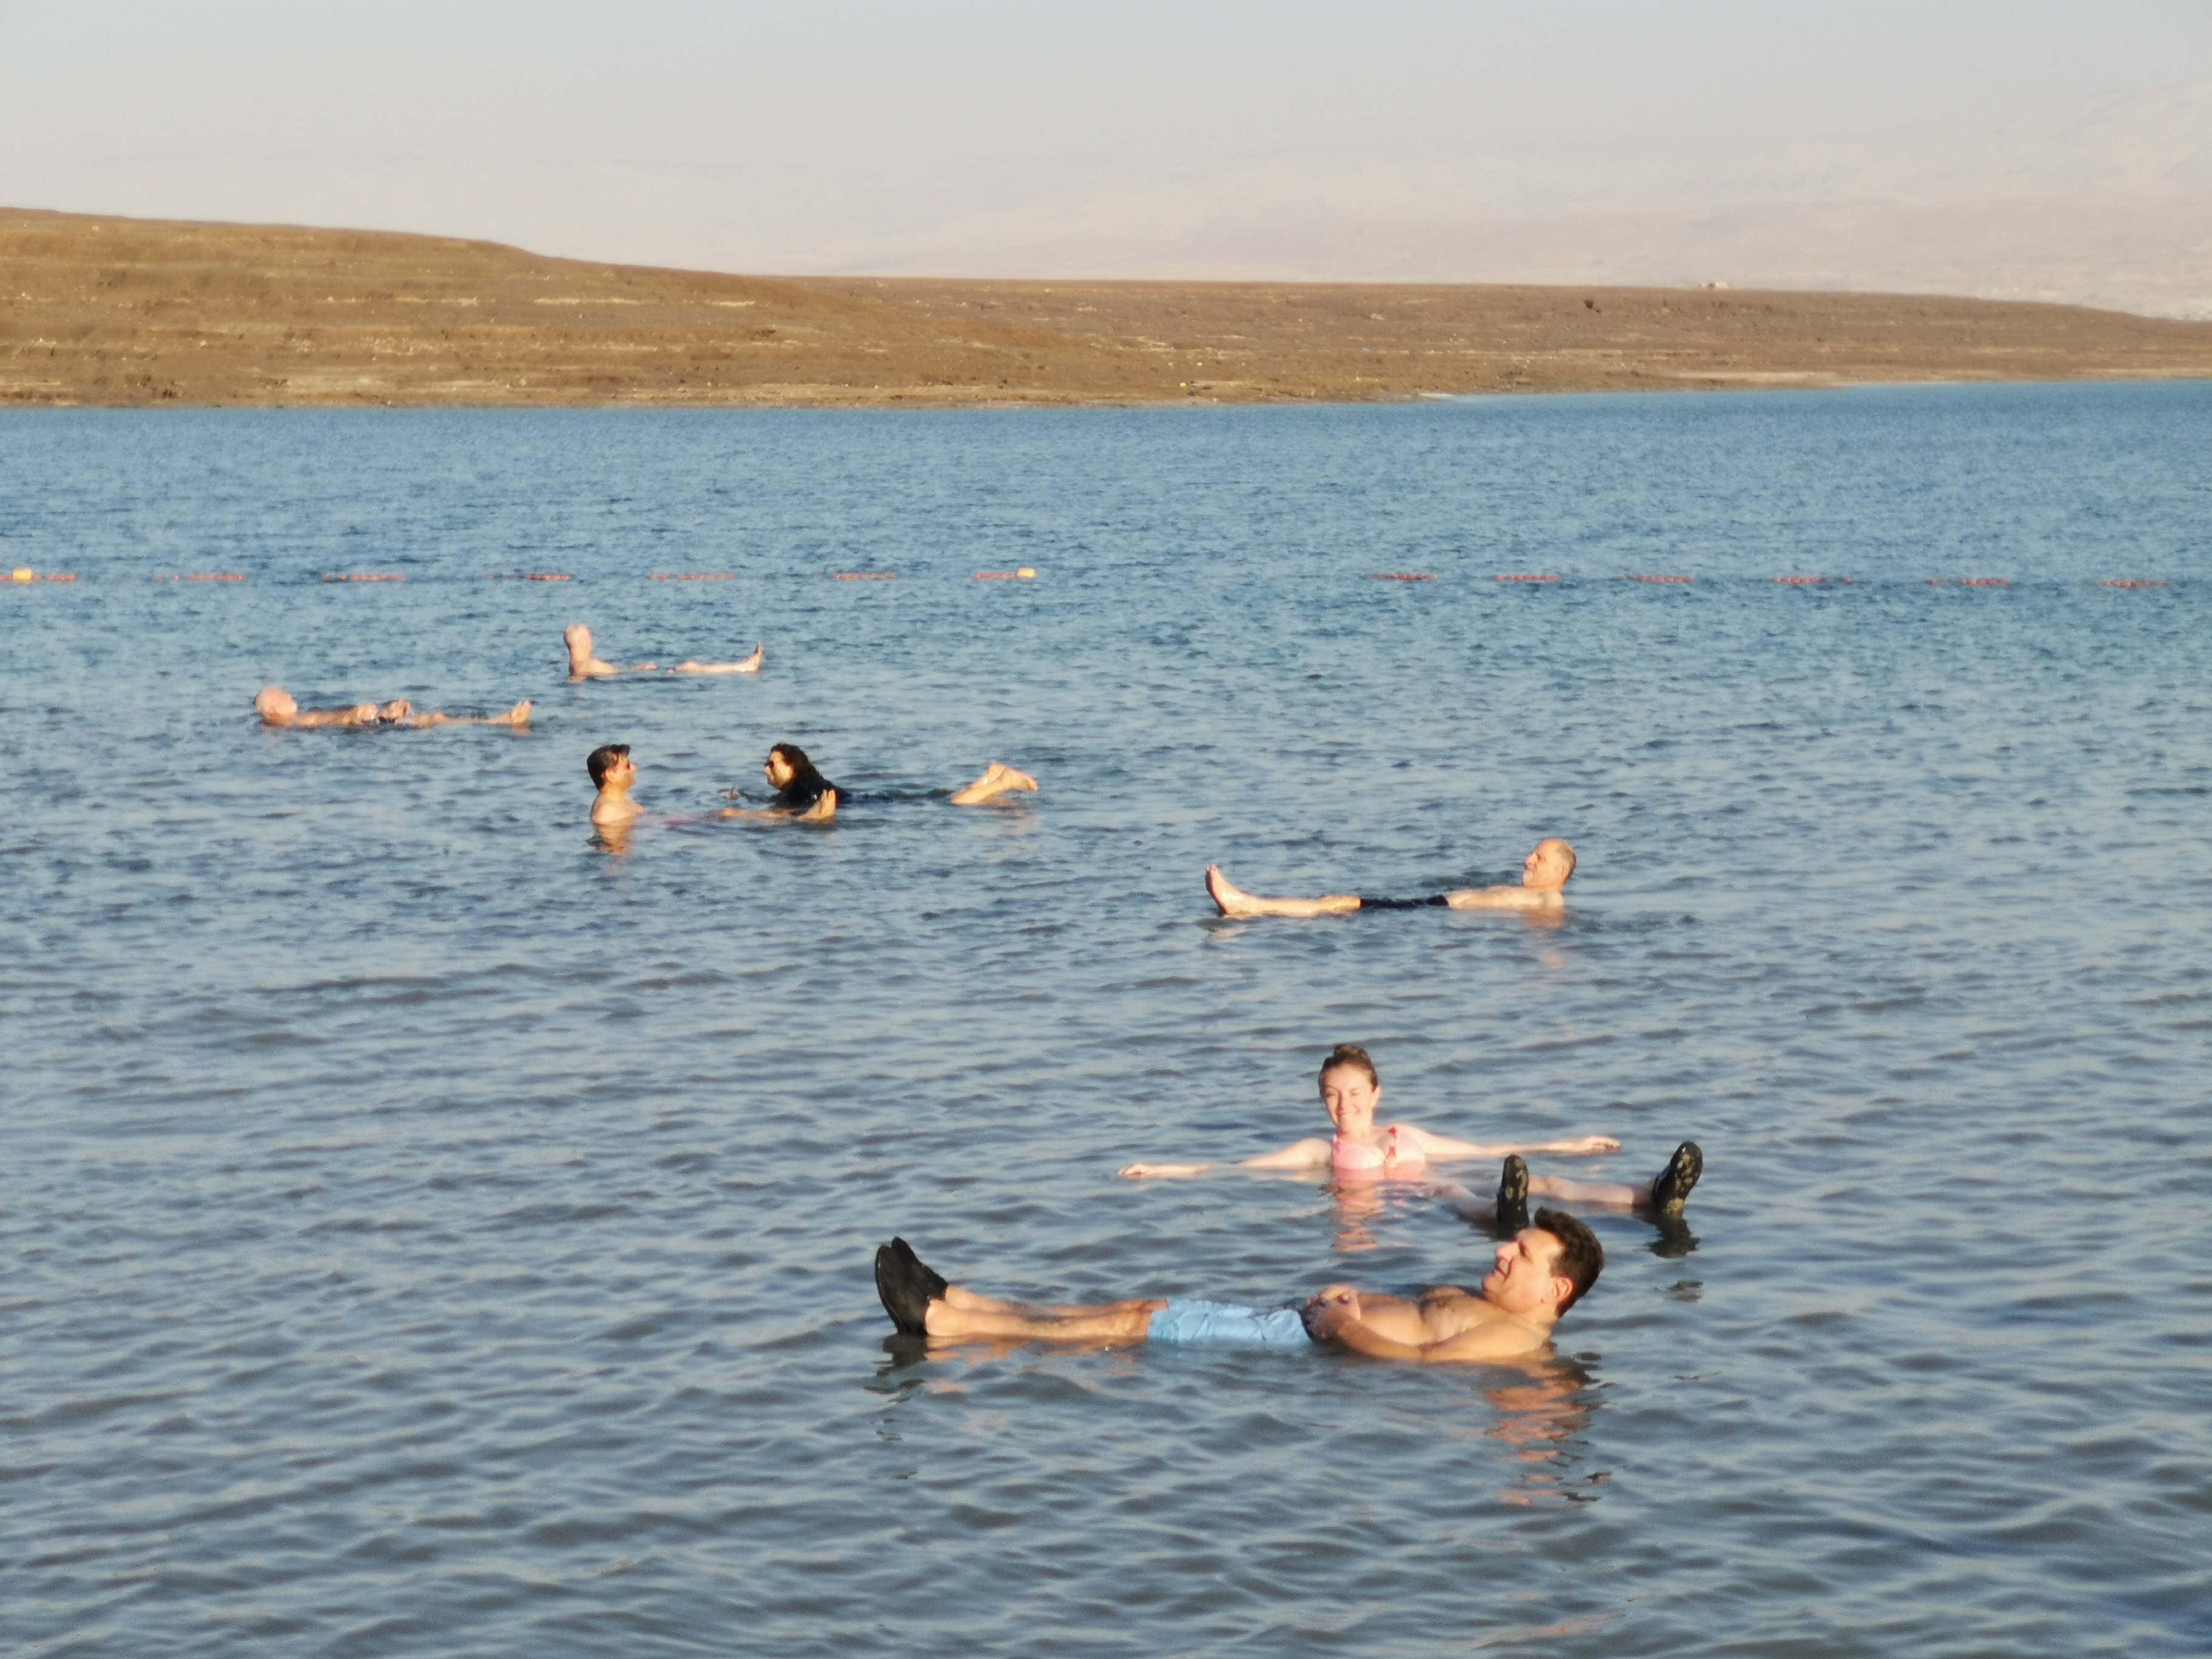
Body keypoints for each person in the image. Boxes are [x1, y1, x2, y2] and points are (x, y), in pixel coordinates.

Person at [871, 1209, 1605, 1364]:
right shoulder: (1492, 1305)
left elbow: (1418, 1364)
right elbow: (1418, 1313)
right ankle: (962, 1299)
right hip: (1298, 1324)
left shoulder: (1518, 1337)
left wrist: (1338, 1325)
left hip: (1301, 1342)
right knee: (1138, 1309)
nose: (1506, 1250)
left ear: (1557, 1292)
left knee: (1134, 1325)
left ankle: (943, 1328)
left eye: (1525, 1254)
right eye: (1513, 1241)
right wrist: (1350, 1292)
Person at [1119, 1042, 1618, 1181]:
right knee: (1460, 1198)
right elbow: (1237, 1169)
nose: (1345, 1105)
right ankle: (1504, 1210)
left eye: (1355, 1094)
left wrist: (1568, 1144)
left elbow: (1485, 1150)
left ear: (1376, 1094)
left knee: (1545, 1185)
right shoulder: (1320, 1151)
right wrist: (1162, 1169)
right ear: (1323, 1102)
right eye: (1333, 1095)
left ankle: (1644, 1195)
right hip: (1403, 1216)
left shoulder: (1407, 1133)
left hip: (1435, 1193)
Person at [1205, 839, 1578, 919]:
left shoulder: (1550, 901)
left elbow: (1550, 928)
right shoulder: (1532, 896)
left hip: (1428, 915)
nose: (1527, 859)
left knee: (1338, 904)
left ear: (1559, 872)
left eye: (1539, 857)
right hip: (1430, 908)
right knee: (1340, 903)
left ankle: (1249, 905)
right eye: (1530, 852)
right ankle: (1251, 904)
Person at [714, 744, 1041, 823]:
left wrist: (740, 815)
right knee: (941, 802)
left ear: (791, 767)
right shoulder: (804, 785)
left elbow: (786, 818)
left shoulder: (804, 788)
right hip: (872, 800)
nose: (766, 768)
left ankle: (1003, 781)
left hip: (869, 804)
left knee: (953, 805)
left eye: (772, 764)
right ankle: (990, 776)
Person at [253, 686, 380, 728]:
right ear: (270, 709)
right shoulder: (287, 722)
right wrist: (350, 716)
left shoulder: (293, 719)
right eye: (280, 695)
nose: (288, 695)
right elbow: (317, 719)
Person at [565, 623, 657, 680]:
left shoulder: (573, 667)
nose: (591, 641)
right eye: (589, 637)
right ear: (582, 641)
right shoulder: (591, 665)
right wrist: (642, 669)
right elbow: (617, 673)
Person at [374, 699, 533, 728]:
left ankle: (494, 722)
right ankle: (495, 722)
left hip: (388, 721)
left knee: (435, 718)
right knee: (434, 719)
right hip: (385, 722)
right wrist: (386, 713)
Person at [586, 743, 641, 826]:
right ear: (610, 775)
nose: (634, 768)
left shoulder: (624, 798)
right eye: (627, 766)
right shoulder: (607, 812)